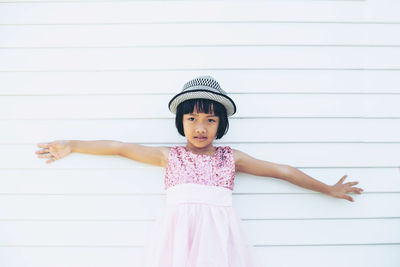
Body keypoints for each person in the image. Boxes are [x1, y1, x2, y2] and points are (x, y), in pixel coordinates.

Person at [35, 75, 364, 267]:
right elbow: (120, 147)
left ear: (221, 125)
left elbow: (282, 170)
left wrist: (327, 188)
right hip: (177, 238)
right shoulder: (170, 157)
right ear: (182, 123)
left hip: (220, 238)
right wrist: (73, 143)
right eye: (192, 119)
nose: (201, 127)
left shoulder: (230, 158)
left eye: (210, 119)